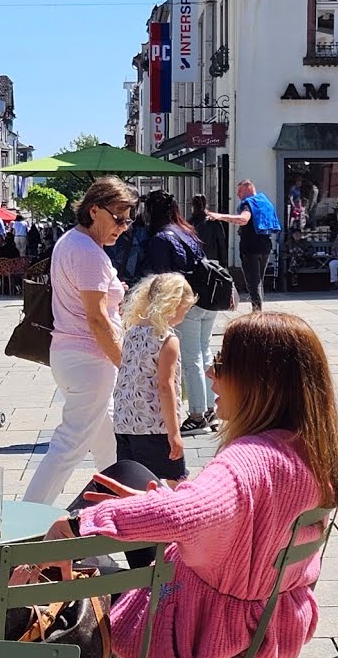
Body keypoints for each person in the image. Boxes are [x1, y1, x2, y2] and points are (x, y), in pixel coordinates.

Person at [40, 311, 338, 658]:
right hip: (266, 613)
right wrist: (162, 504)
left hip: (195, 625)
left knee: (61, 573)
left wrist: (78, 524)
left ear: (260, 381)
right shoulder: (309, 447)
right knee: (127, 472)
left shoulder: (248, 460)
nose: (210, 372)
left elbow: (193, 511)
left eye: (222, 362)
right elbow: (226, 517)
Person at [23, 177, 137, 505]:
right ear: (94, 210)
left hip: (73, 357)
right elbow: (97, 320)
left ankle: (117, 515)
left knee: (110, 448)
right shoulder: (89, 253)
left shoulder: (73, 242)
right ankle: (26, 527)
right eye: (118, 217)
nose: (123, 226)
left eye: (128, 219)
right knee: (67, 447)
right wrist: (126, 365)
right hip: (90, 361)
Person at [141, 190, 219, 436]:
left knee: (190, 358)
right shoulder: (187, 231)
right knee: (204, 353)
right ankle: (209, 409)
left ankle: (197, 415)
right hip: (208, 299)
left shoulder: (161, 238)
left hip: (185, 302)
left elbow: (161, 278)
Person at [113, 274, 195, 487]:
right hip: (155, 425)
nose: (184, 317)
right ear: (172, 304)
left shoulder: (131, 331)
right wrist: (174, 433)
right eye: (184, 310)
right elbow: (165, 387)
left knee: (133, 481)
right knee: (177, 479)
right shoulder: (167, 339)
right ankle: (187, 516)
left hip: (126, 421)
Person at [206, 181, 281, 312]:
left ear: (247, 189)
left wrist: (220, 216)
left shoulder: (248, 203)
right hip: (265, 245)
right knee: (259, 281)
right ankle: (258, 310)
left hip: (251, 246)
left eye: (239, 191)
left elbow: (243, 219)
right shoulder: (265, 202)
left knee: (253, 282)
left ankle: (256, 313)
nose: (237, 195)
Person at [190, 194, 228, 266]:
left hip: (195, 260)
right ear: (206, 205)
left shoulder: (189, 223)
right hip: (212, 260)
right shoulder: (214, 223)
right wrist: (224, 263)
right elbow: (221, 244)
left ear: (192, 206)